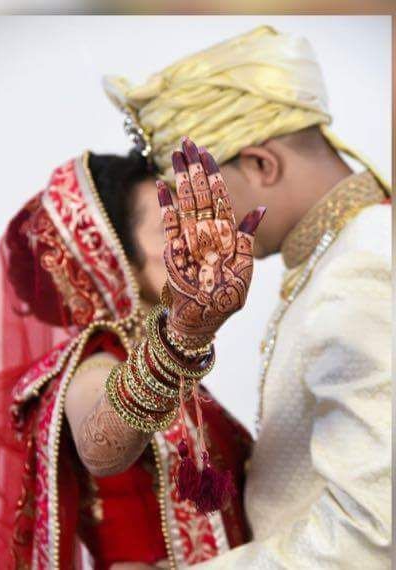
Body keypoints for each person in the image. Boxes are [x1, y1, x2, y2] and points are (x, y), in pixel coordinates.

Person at [106, 26, 392, 568]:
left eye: (198, 200)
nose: (194, 228)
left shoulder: (365, 267)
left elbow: (373, 536)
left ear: (263, 163)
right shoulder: (338, 259)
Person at [0, 138, 268, 568]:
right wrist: (181, 340)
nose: (195, 237)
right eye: (168, 228)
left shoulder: (175, 367)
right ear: (111, 262)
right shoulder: (92, 366)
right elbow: (100, 447)